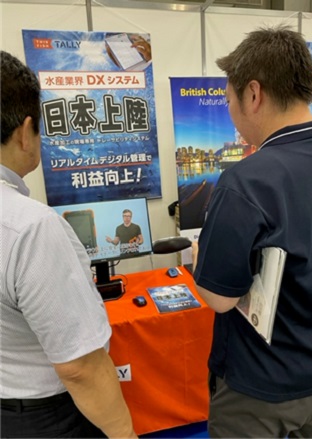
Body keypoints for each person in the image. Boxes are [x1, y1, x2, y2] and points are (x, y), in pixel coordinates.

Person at [192, 25, 312, 438]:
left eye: (230, 101)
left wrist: (203, 259)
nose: (231, 114)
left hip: (261, 386)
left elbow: (219, 298)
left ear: (254, 94)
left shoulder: (246, 181)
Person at [0, 50, 137, 439]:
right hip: (44, 417)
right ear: (26, 131)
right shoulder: (29, 227)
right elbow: (79, 366)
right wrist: (124, 434)